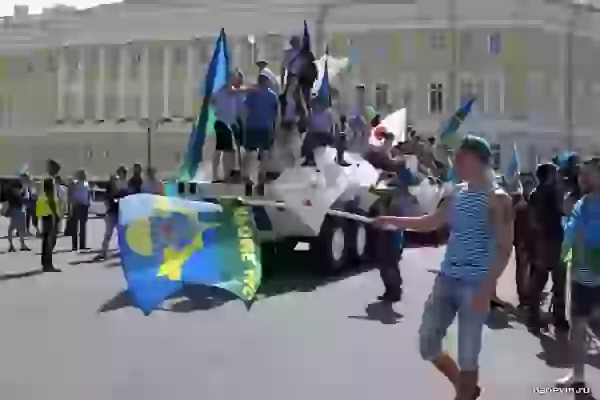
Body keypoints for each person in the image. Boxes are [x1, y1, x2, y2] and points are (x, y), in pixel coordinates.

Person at [373, 135, 514, 399]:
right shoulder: (456, 193)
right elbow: (431, 222)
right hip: (447, 279)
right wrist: (392, 220)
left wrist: (488, 288)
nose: (455, 162)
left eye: (461, 157)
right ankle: (466, 388)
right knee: (428, 343)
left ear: (478, 160)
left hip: (476, 283)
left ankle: (464, 392)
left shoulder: (498, 199)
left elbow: (505, 247)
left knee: (469, 352)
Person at [556, 157, 600, 391]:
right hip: (581, 274)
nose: (583, 177)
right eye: (583, 173)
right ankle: (578, 375)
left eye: (589, 173)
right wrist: (568, 256)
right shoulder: (582, 203)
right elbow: (571, 232)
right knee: (578, 326)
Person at [528, 162, 568, 331]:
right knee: (559, 280)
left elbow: (532, 221)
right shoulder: (556, 192)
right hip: (557, 240)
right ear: (550, 175)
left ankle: (533, 316)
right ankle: (559, 318)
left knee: (538, 280)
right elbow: (565, 209)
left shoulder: (534, 193)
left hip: (541, 241)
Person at [241, 72, 280, 195]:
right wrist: (275, 128)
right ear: (267, 82)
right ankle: (261, 180)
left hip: (252, 127)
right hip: (266, 128)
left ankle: (246, 177)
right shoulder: (272, 96)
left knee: (249, 152)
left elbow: (245, 111)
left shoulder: (252, 94)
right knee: (265, 154)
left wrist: (244, 125)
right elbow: (277, 114)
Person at [211, 71, 246, 182]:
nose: (235, 80)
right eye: (233, 78)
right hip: (223, 123)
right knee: (227, 151)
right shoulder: (228, 90)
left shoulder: (219, 91)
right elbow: (237, 91)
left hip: (225, 123)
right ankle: (225, 174)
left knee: (222, 150)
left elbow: (212, 102)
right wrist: (253, 89)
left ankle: (221, 174)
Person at [36, 159, 63, 272]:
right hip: (49, 212)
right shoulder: (48, 180)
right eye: (56, 169)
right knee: (50, 239)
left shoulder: (46, 179)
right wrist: (56, 213)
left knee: (47, 238)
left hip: (45, 211)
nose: (57, 171)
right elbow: (51, 198)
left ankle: (45, 263)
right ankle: (48, 265)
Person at [278, 74, 307, 167]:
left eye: (295, 82)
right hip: (284, 122)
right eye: (291, 81)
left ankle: (292, 164)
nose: (293, 84)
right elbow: (278, 109)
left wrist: (300, 118)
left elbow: (303, 111)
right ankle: (284, 165)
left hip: (294, 123)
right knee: (283, 146)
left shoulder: (298, 97)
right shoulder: (282, 97)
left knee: (293, 145)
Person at [301, 95, 335, 167]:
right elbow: (308, 125)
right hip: (314, 133)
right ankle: (309, 159)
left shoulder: (328, 113)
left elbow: (332, 126)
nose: (318, 107)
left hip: (324, 134)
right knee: (307, 143)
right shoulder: (311, 112)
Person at [5, 181, 30, 252]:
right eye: (18, 188)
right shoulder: (15, 193)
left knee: (12, 228)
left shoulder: (9, 193)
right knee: (20, 229)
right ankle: (21, 245)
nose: (19, 190)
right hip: (18, 211)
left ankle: (12, 245)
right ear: (15, 188)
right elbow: (21, 199)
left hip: (14, 210)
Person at [70, 169, 91, 251]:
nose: (84, 176)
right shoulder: (75, 184)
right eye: (82, 174)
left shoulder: (86, 184)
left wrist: (89, 202)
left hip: (84, 206)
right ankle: (74, 245)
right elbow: (72, 194)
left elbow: (88, 193)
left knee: (82, 227)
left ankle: (82, 245)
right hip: (77, 205)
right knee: (75, 227)